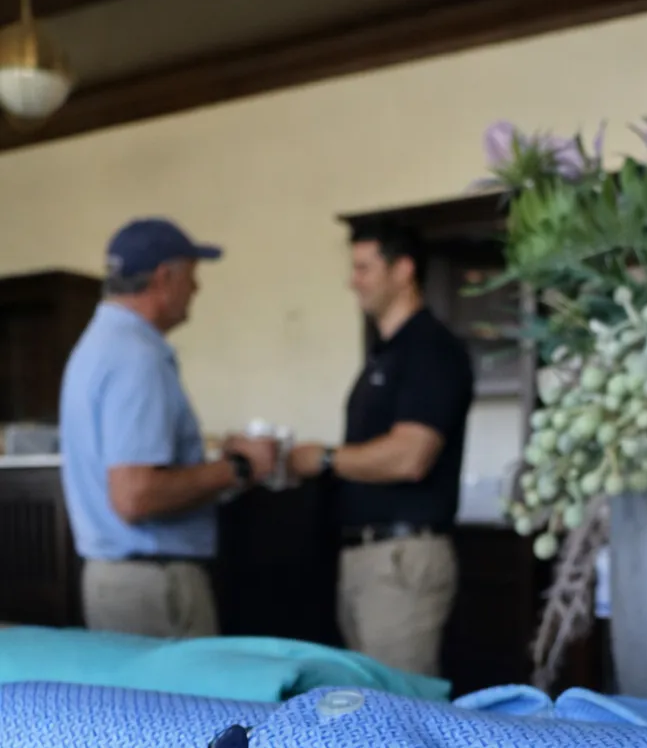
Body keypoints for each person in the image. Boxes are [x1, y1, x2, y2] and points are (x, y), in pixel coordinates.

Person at [60, 218, 277, 639]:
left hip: (118, 580)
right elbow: (135, 494)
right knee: (187, 706)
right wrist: (238, 467)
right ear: (165, 278)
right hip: (153, 588)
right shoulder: (136, 356)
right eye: (192, 278)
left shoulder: (96, 345)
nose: (196, 290)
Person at [290, 217, 474, 677]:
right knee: (364, 706)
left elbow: (411, 455)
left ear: (403, 270)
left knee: (398, 712)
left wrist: (326, 458)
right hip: (365, 557)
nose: (353, 282)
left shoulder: (431, 349)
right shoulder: (386, 353)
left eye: (364, 268)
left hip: (401, 557)